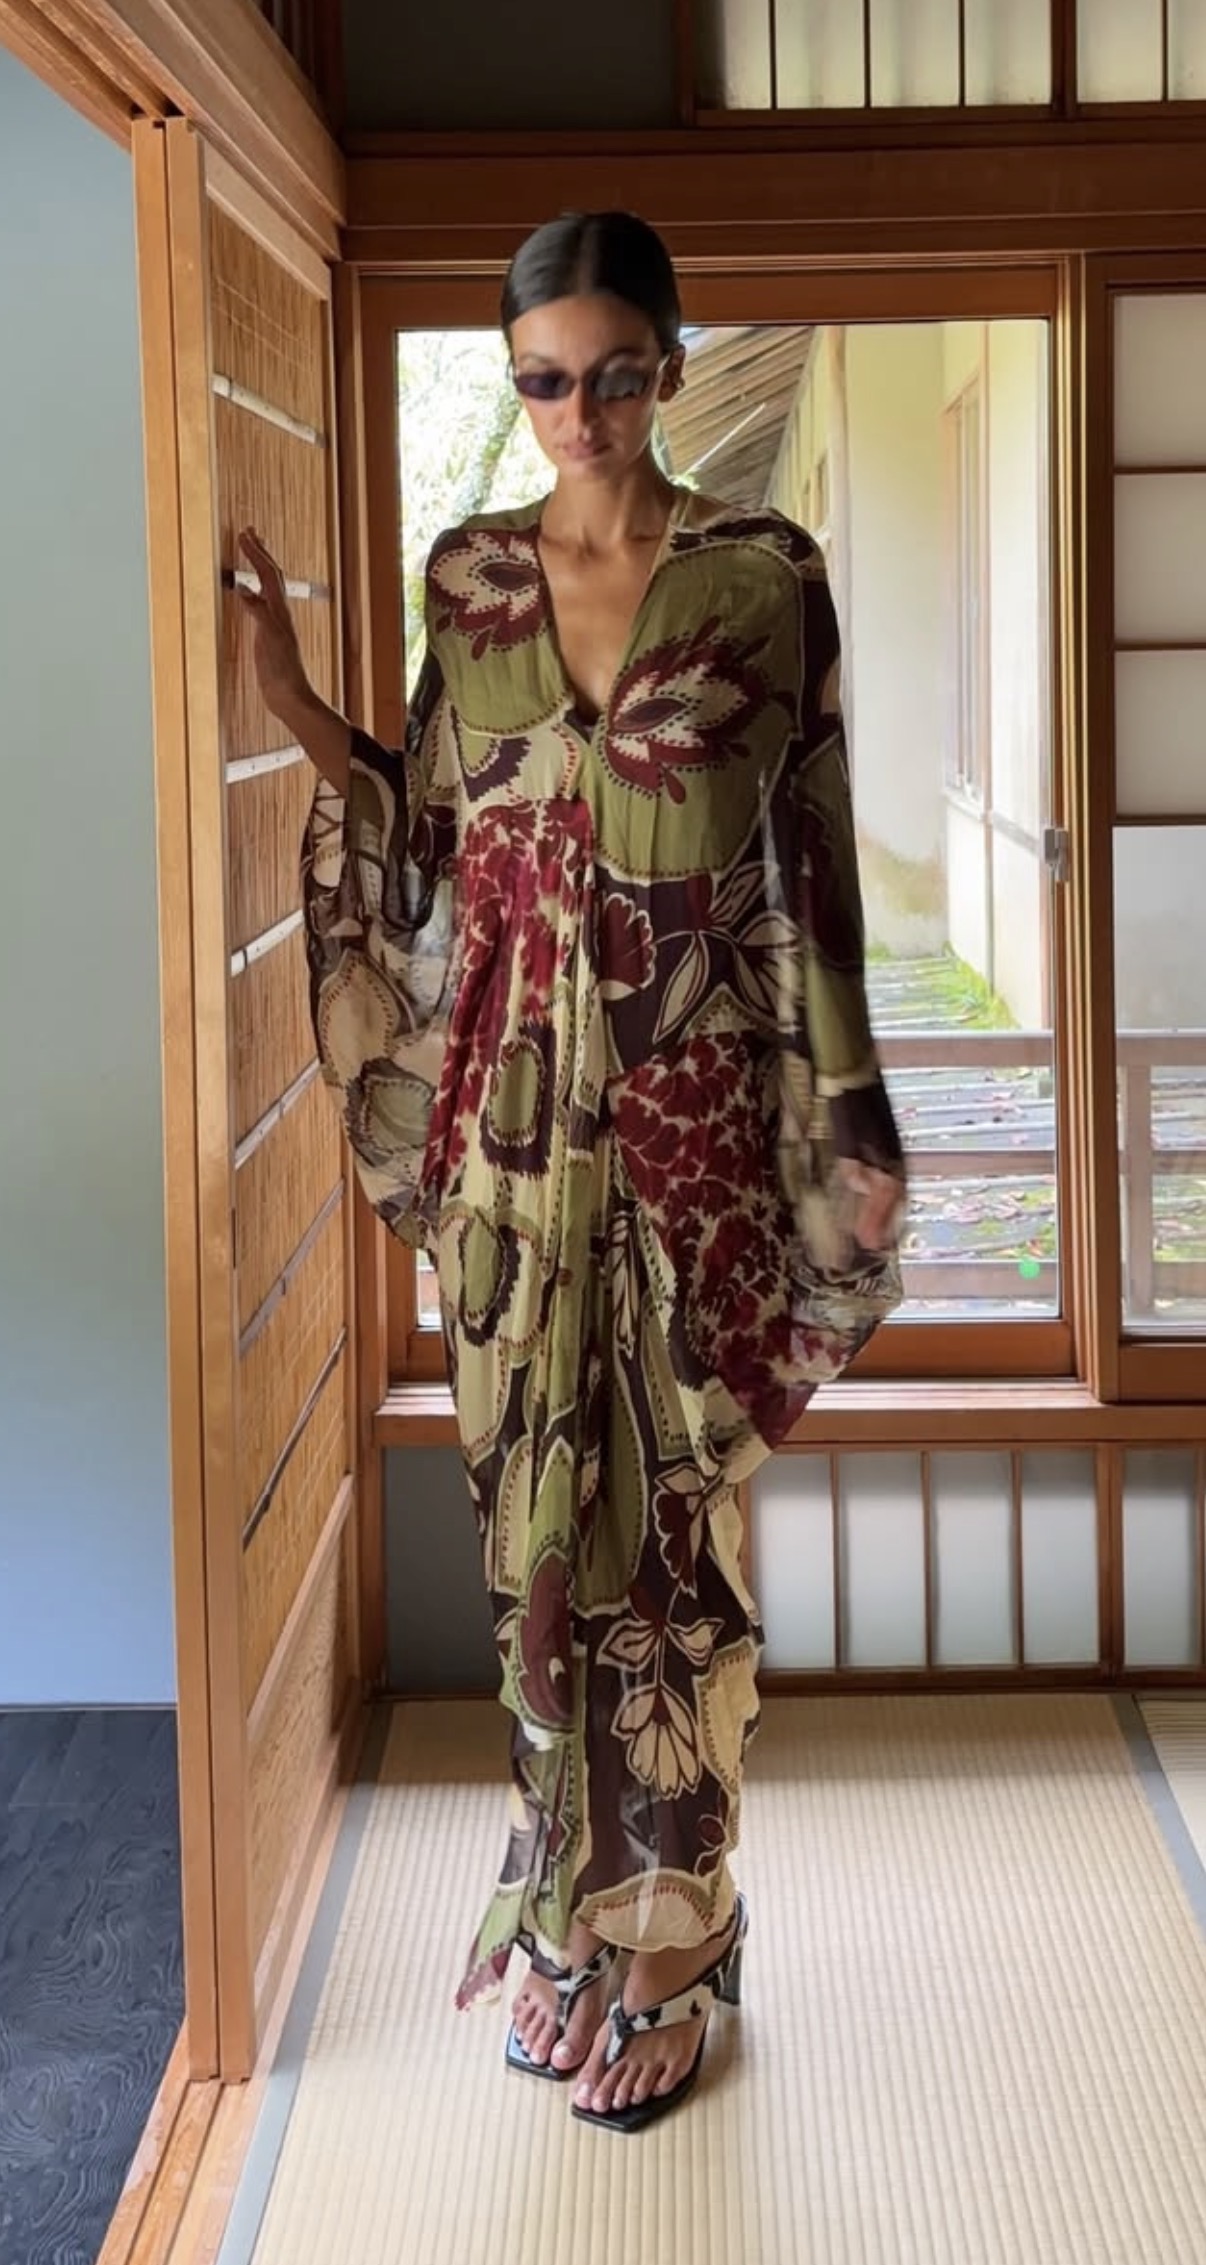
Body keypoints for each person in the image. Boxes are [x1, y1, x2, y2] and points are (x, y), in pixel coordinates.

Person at [239, 210, 905, 2136]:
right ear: (515, 382)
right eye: (542, 379)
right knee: (533, 1545)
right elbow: (430, 846)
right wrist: (294, 706)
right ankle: (567, 1909)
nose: (579, 413)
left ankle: (679, 1934)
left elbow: (811, 859)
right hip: (511, 1142)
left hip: (693, 1134)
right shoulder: (468, 578)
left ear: (669, 369)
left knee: (668, 1553)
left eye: (616, 373)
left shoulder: (761, 577)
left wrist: (844, 1118)